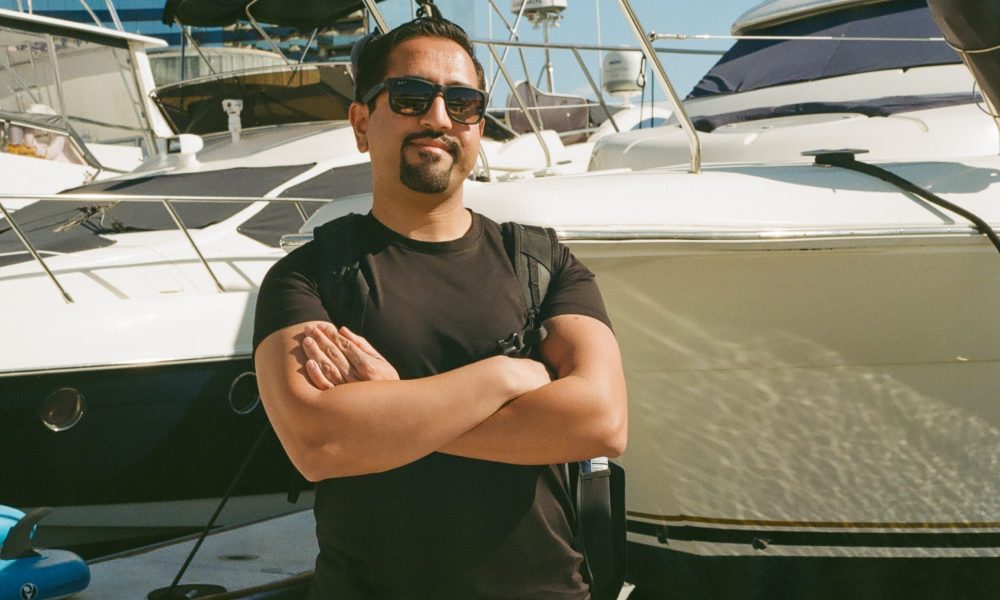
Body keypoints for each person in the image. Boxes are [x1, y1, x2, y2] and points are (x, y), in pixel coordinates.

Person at [253, 16, 627, 599]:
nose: (438, 118)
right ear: (361, 122)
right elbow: (320, 443)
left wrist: (391, 404)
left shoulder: (542, 263)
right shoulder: (308, 277)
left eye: (462, 102)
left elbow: (599, 422)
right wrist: (506, 376)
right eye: (410, 96)